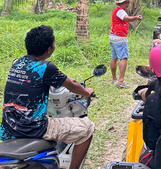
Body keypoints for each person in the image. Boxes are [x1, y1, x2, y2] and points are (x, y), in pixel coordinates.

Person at [0, 25, 95, 169]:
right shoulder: (46, 67)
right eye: (54, 43)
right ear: (49, 49)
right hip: (34, 129)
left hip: (9, 128)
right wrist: (87, 92)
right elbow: (72, 84)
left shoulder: (17, 63)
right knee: (87, 128)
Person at [110, 0, 142, 89]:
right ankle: (121, 81)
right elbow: (126, 18)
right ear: (120, 3)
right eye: (125, 2)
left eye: (128, 2)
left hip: (113, 36)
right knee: (123, 58)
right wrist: (136, 17)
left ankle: (114, 78)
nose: (127, 4)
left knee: (114, 58)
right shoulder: (120, 11)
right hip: (120, 37)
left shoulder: (117, 10)